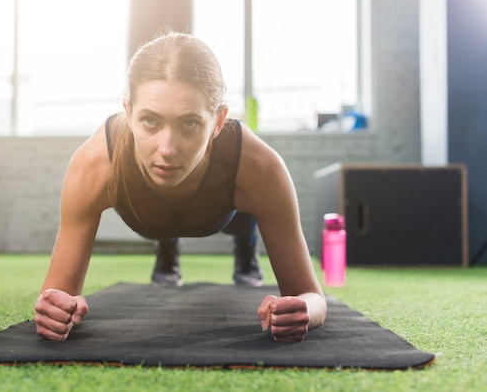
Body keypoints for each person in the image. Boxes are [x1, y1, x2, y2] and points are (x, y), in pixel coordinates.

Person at [34, 31, 326, 343]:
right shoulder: (95, 163)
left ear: (217, 122)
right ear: (128, 113)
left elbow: (311, 295)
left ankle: (245, 250)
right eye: (150, 121)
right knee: (165, 223)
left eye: (189, 124)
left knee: (243, 223)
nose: (167, 148)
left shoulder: (259, 167)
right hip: (149, 216)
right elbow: (56, 294)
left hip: (228, 212)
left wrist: (302, 310)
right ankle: (167, 246)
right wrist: (57, 309)